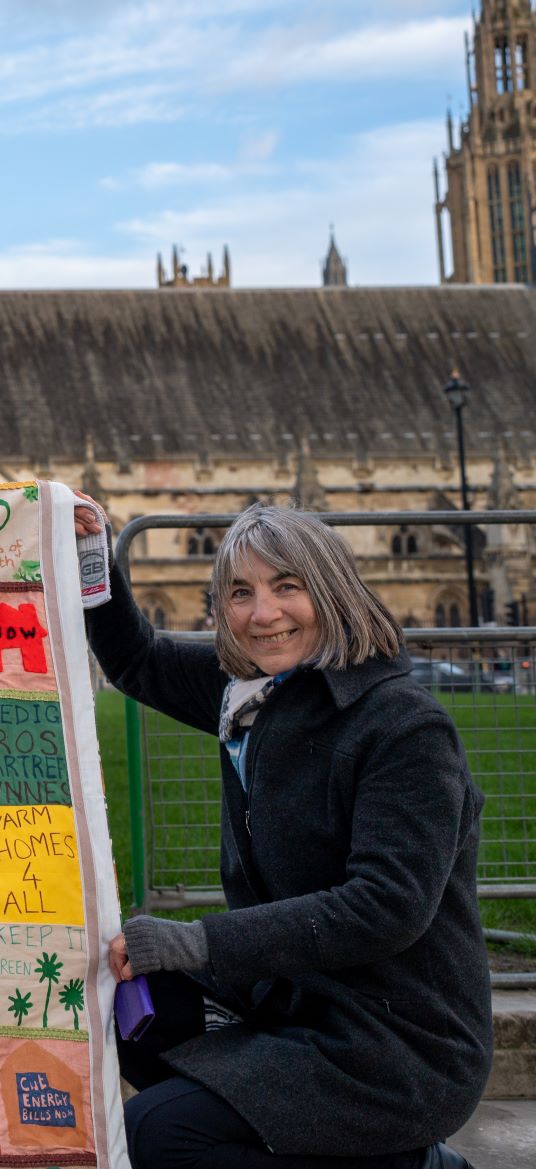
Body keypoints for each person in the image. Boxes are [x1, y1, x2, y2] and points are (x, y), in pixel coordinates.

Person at [76, 500, 489, 1169]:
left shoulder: (404, 726)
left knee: (156, 1134)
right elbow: (136, 659)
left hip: (396, 1041)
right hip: (293, 995)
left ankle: (406, 1160)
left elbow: (386, 906)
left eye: (286, 586)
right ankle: (325, 1143)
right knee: (120, 1003)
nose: (263, 613)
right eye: (241, 592)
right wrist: (91, 554)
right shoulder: (249, 691)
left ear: (329, 590)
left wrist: (197, 939)